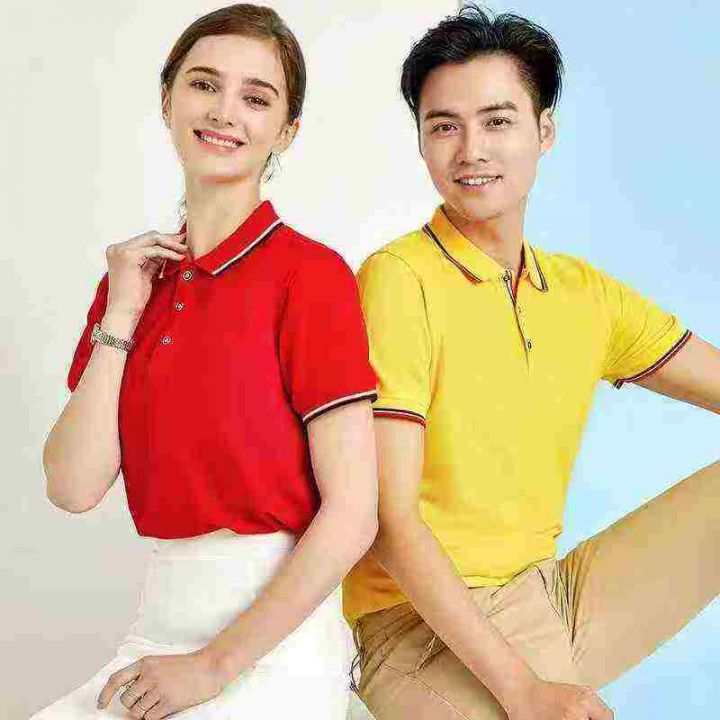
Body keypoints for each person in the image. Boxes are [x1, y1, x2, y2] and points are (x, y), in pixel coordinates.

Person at [344, 6, 720, 720]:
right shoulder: (397, 280)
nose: (471, 151)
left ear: (544, 131)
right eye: (444, 126)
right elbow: (389, 521)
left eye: (497, 121)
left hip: (552, 596)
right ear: (420, 141)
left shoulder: (584, 293)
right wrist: (522, 688)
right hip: (419, 628)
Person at [37, 4, 379, 719]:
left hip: (275, 645)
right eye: (203, 84)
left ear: (286, 131)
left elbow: (353, 514)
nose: (224, 112)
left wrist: (213, 666)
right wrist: (121, 314)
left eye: (256, 98)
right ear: (167, 102)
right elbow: (72, 486)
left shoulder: (310, 276)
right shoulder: (130, 282)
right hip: (157, 630)